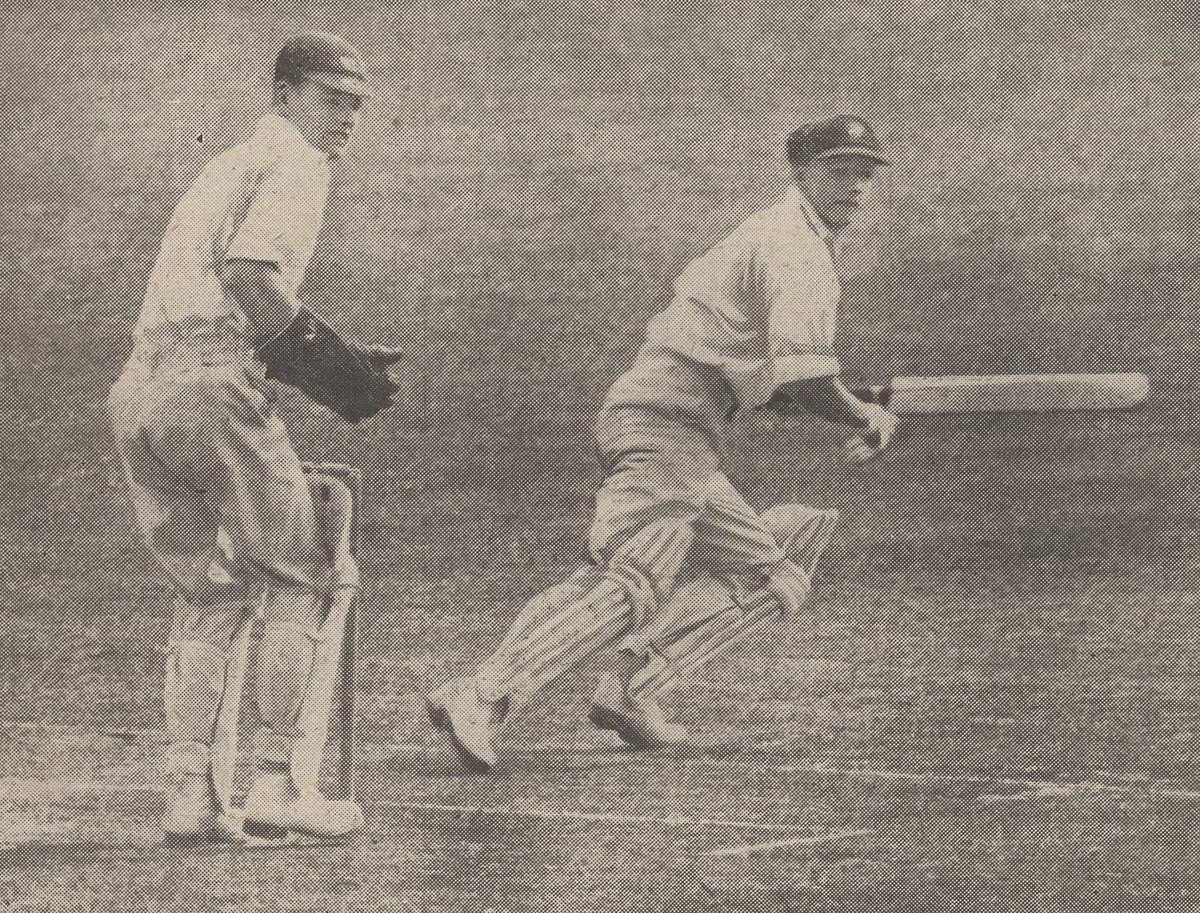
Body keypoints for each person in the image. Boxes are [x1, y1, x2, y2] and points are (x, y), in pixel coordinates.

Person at [427, 115, 899, 771]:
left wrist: (851, 402)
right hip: (665, 421)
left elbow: (769, 383)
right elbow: (809, 379)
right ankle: (483, 695)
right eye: (838, 169)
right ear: (801, 172)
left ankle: (631, 689)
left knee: (771, 570)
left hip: (685, 427)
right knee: (639, 573)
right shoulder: (794, 246)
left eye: (864, 172)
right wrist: (862, 417)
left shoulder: (786, 235)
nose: (854, 184)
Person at [108, 33, 400, 842]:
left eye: (355, 104)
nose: (345, 118)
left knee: (208, 590)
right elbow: (247, 276)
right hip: (210, 384)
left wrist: (327, 352)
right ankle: (278, 782)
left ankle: (189, 797)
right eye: (329, 98)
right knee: (306, 566)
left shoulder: (225, 163)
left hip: (139, 392)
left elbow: (221, 284)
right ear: (283, 96)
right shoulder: (300, 164)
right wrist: (332, 370)